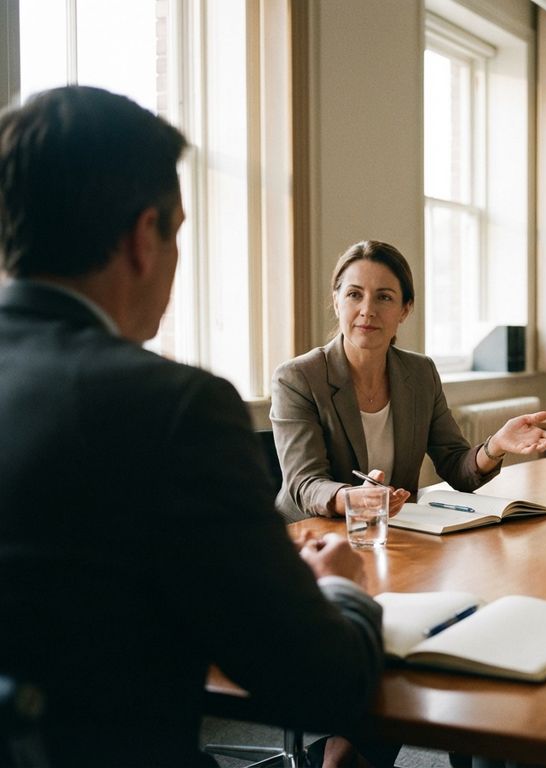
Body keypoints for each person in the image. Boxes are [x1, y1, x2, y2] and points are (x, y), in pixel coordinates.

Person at [0, 86, 383, 768]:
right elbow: (321, 681)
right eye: (178, 230)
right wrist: (342, 587)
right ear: (145, 237)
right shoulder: (173, 408)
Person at [271, 239, 546, 522]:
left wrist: (496, 446)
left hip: (391, 533)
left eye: (384, 297)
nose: (367, 310)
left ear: (405, 310)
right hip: (311, 536)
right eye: (354, 294)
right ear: (336, 302)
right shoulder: (297, 378)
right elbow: (305, 483)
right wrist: (351, 498)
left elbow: (456, 466)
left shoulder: (420, 373)